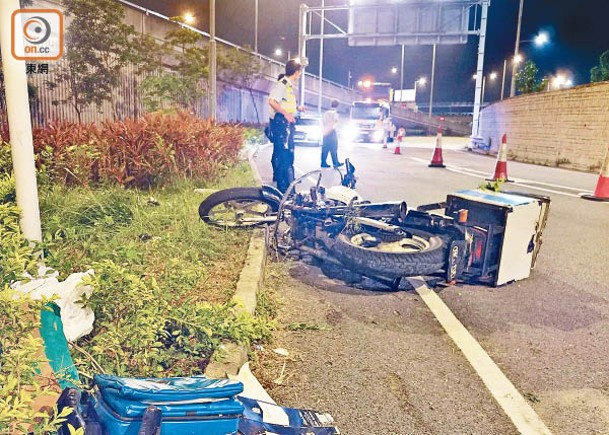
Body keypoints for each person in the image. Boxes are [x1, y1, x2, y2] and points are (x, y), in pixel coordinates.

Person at [268, 59, 304, 192]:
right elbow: (272, 101)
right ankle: (285, 190)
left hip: (286, 124)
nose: (300, 74)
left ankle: (287, 188)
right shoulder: (282, 84)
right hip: (282, 124)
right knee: (285, 156)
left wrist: (297, 109)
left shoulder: (288, 86)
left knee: (287, 156)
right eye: (299, 72)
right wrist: (286, 114)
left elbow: (284, 103)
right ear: (296, 72)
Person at [321, 99, 343, 168]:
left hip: (325, 131)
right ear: (337, 105)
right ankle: (335, 162)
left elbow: (323, 122)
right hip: (331, 131)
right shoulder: (335, 113)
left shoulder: (326, 113)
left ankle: (323, 162)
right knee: (333, 147)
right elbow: (334, 122)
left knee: (325, 148)